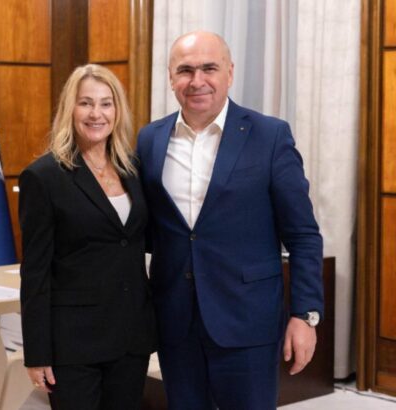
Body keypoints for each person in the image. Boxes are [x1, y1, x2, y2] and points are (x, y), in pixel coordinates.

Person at [136, 31, 324, 410]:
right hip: (176, 320)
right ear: (171, 77)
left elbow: (303, 235)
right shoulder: (149, 139)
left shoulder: (270, 136)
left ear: (230, 73)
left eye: (209, 68)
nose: (197, 81)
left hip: (247, 319)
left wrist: (305, 316)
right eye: (185, 70)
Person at [18, 64, 157, 410]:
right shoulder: (44, 177)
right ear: (70, 109)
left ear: (117, 111)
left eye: (106, 103)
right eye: (86, 103)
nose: (97, 114)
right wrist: (37, 352)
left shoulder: (133, 169)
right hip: (74, 344)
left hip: (130, 338)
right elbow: (35, 272)